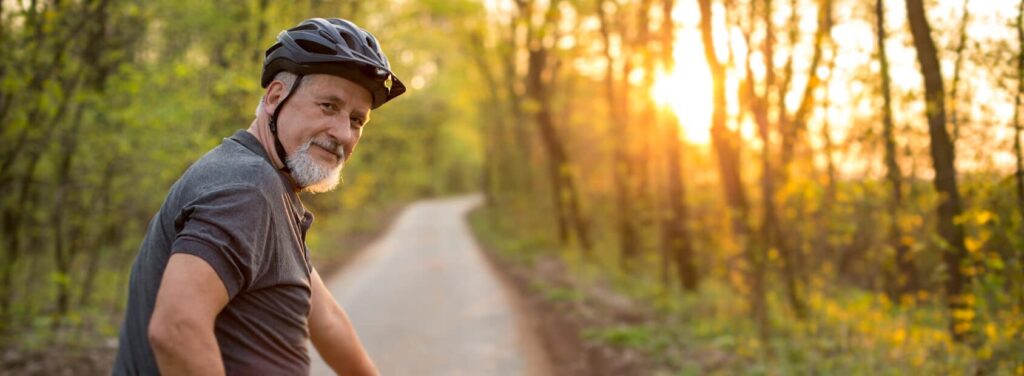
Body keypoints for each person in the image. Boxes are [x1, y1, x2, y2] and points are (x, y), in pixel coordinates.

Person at [113, 17, 405, 375]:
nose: (343, 133)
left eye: (357, 120)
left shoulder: (270, 190)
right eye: (328, 106)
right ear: (276, 97)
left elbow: (324, 316)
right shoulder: (246, 188)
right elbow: (176, 330)